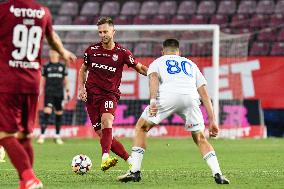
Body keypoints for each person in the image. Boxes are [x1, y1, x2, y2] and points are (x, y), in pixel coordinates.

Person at [117, 38, 230, 184]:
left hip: (167, 97)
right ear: (179, 52)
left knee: (141, 128)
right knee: (201, 138)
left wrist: (152, 101)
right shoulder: (191, 64)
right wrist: (213, 120)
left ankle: (135, 171)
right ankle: (218, 174)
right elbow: (205, 94)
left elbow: (153, 79)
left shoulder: (158, 62)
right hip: (190, 99)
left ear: (162, 51)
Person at [0, 1, 76, 189]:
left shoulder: (3, 10)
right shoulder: (43, 12)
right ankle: (26, 182)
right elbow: (52, 38)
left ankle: (29, 177)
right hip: (32, 79)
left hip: (9, 78)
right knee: (24, 135)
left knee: (3, 134)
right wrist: (63, 52)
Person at [78, 17, 148, 172]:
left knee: (107, 120)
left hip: (109, 95)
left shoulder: (122, 53)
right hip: (91, 96)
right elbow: (83, 69)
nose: (103, 34)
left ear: (113, 31)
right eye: (100, 32)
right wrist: (81, 89)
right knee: (101, 133)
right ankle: (130, 160)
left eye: (106, 31)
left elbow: (140, 68)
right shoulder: (91, 51)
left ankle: (104, 158)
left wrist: (154, 75)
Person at [37, 50, 70, 145]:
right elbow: (42, 79)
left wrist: (67, 91)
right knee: (47, 112)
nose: (52, 54)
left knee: (59, 113)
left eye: (54, 53)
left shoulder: (62, 66)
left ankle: (57, 136)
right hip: (49, 93)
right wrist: (40, 91)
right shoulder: (46, 66)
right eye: (51, 53)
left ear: (58, 54)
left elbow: (66, 80)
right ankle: (42, 135)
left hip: (59, 93)